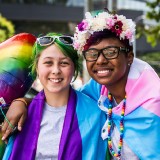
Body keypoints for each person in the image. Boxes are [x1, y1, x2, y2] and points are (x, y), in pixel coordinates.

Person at [2, 11, 160, 160]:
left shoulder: (151, 104)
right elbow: (56, 101)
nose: (100, 60)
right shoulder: (99, 90)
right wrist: (21, 102)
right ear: (36, 68)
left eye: (111, 52)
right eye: (92, 54)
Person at [2, 32, 107, 160]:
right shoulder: (18, 117)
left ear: (74, 69)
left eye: (64, 63)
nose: (56, 70)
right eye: (48, 63)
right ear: (36, 69)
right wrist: (20, 102)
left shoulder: (97, 114)